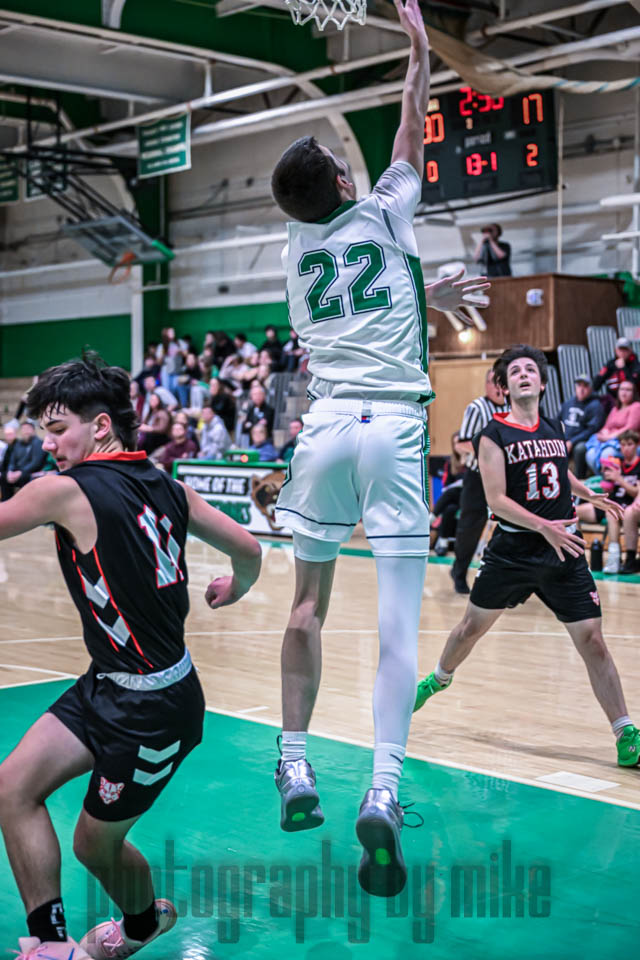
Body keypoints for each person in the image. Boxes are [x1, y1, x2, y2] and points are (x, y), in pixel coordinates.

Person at [270, 0, 489, 899]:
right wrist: (417, 48)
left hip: (324, 429)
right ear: (342, 180)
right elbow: (409, 123)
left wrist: (425, 290)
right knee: (397, 623)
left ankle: (294, 764)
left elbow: (363, 290)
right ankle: (384, 788)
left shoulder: (294, 248)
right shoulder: (388, 207)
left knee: (305, 607)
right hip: (395, 431)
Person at [0, 353, 261, 958]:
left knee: (95, 845)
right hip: (108, 684)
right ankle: (51, 944)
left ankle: (144, 925)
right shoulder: (171, 486)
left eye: (57, 429)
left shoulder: (64, 491)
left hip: (155, 709)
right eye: (41, 431)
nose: (48, 444)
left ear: (100, 426)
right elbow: (249, 549)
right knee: (12, 787)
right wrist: (237, 585)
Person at [413, 344, 640, 771]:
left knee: (592, 640)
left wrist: (587, 493)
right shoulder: (493, 434)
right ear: (504, 386)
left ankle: (625, 732)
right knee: (470, 628)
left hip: (563, 549)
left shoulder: (554, 427)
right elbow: (496, 500)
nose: (522, 374)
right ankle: (438, 678)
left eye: (530, 370)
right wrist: (544, 526)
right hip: (513, 552)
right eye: (514, 371)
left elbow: (558, 470)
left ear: (541, 383)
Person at [451, 369, 508, 594]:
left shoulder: (512, 407)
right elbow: (462, 443)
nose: (498, 387)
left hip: (505, 477)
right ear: (487, 385)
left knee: (510, 526)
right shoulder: (476, 408)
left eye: (501, 382)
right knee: (470, 527)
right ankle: (459, 571)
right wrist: (490, 452)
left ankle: (504, 578)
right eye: (494, 382)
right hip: (478, 476)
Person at [577, 429, 640, 574]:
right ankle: (578, 557)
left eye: (629, 444)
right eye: (623, 444)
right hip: (611, 502)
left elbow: (636, 492)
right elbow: (608, 489)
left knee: (613, 512)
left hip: (629, 505)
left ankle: (615, 557)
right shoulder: (616, 463)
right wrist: (607, 484)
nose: (625, 448)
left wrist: (619, 479)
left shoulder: (638, 465)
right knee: (573, 511)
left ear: (637, 445)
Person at [585, 380, 640, 474]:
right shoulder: (615, 409)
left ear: (634, 393)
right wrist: (602, 433)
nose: (624, 392)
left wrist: (609, 437)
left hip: (625, 443)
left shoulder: (636, 406)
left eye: (628, 390)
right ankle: (605, 478)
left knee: (607, 454)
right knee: (590, 454)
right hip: (609, 441)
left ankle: (612, 479)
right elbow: (606, 427)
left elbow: (630, 428)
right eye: (622, 389)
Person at [559, 373, 606, 479]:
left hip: (584, 440)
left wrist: (572, 442)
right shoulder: (568, 403)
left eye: (585, 386)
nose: (582, 389)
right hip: (565, 438)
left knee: (580, 449)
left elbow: (592, 430)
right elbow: (558, 421)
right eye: (579, 385)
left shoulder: (595, 406)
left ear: (591, 388)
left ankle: (579, 479)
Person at [431, 431, 467, 556]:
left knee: (453, 491)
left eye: (459, 442)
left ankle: (431, 518)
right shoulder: (451, 462)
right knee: (449, 508)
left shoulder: (472, 460)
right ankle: (443, 543)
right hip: (455, 499)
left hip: (469, 498)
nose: (457, 446)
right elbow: (446, 484)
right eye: (455, 443)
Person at [1, 419, 48, 500]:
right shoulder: (18, 444)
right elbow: (12, 460)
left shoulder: (38, 443)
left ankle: (24, 501)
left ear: (33, 430)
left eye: (28, 429)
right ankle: (7, 501)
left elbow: (36, 463)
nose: (25, 431)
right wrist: (10, 471)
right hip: (17, 471)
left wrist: (20, 472)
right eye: (23, 429)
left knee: (24, 477)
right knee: (4, 477)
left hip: (30, 472)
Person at [593, 337, 640, 402]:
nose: (622, 352)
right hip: (612, 400)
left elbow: (633, 384)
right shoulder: (611, 364)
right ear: (616, 350)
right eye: (620, 349)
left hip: (632, 401)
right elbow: (597, 381)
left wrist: (623, 368)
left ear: (630, 351)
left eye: (625, 350)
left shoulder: (636, 365)